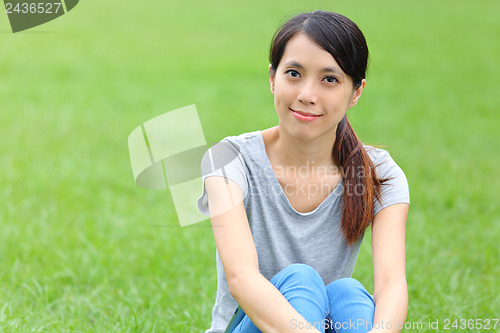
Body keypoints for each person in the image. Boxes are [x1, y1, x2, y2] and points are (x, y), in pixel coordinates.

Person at [197, 10, 410, 333]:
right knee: (302, 279)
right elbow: (241, 278)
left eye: (329, 79)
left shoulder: (380, 173)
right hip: (251, 325)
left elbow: (392, 284)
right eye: (294, 73)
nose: (307, 95)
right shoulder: (229, 159)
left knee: (346, 291)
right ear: (272, 78)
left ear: (356, 92)